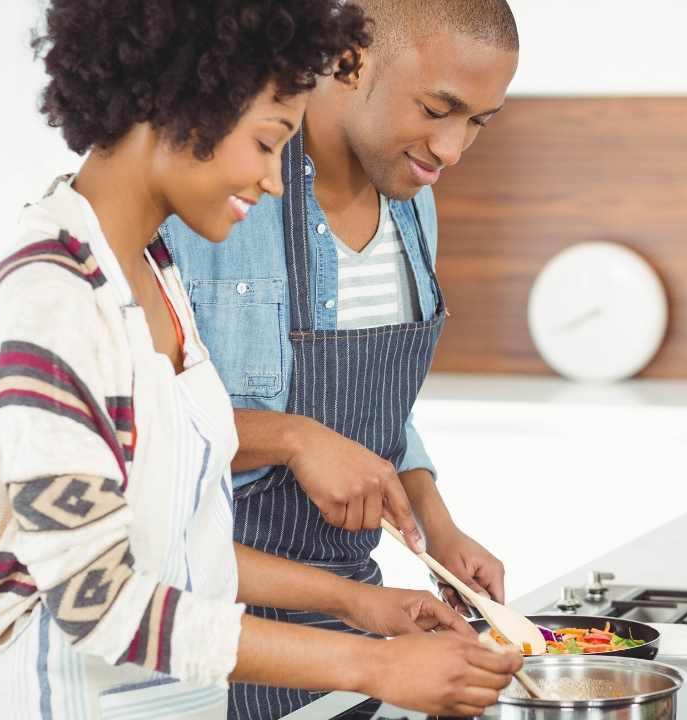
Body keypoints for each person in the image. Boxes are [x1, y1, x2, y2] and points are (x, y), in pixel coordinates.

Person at [0, 2, 517, 718]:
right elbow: (99, 603)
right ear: (186, 110)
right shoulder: (53, 297)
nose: (280, 182)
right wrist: (372, 663)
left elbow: (189, 545)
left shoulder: (155, 278)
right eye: (269, 141)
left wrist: (361, 604)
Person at [160, 1, 520, 716]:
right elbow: (138, 432)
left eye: (478, 122)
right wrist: (292, 439)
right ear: (350, 61)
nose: (451, 150)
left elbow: (382, 412)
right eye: (437, 108)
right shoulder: (211, 196)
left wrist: (434, 520)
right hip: (200, 632)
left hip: (354, 618)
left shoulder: (414, 200)